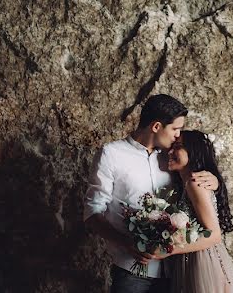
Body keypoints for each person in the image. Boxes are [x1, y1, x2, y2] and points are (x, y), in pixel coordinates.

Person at [84, 95, 219, 293]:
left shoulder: (172, 158)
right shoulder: (111, 154)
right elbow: (92, 213)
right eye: (174, 129)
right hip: (132, 272)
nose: (177, 135)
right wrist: (128, 244)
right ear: (156, 126)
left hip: (177, 271)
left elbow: (196, 185)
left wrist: (213, 182)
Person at [159, 130, 233, 293]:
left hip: (202, 260)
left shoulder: (194, 183)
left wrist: (167, 249)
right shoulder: (184, 185)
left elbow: (214, 235)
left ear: (193, 151)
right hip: (190, 258)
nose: (169, 152)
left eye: (177, 147)